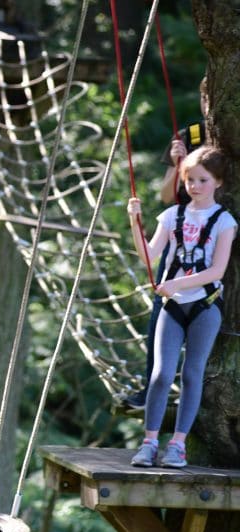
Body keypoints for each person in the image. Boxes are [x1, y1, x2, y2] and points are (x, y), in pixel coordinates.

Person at [126, 146, 236, 468]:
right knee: (161, 374)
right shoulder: (172, 215)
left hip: (205, 306)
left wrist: (177, 284)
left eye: (203, 180)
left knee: (192, 373)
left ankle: (177, 445)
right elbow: (149, 256)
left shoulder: (224, 221)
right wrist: (135, 223)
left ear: (218, 182)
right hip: (172, 307)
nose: (195, 186)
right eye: (190, 180)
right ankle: (149, 442)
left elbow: (217, 271)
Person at [124, 123, 206, 410]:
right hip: (182, 239)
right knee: (163, 315)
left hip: (215, 235)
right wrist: (177, 164)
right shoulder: (190, 135)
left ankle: (199, 393)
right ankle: (152, 389)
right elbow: (166, 196)